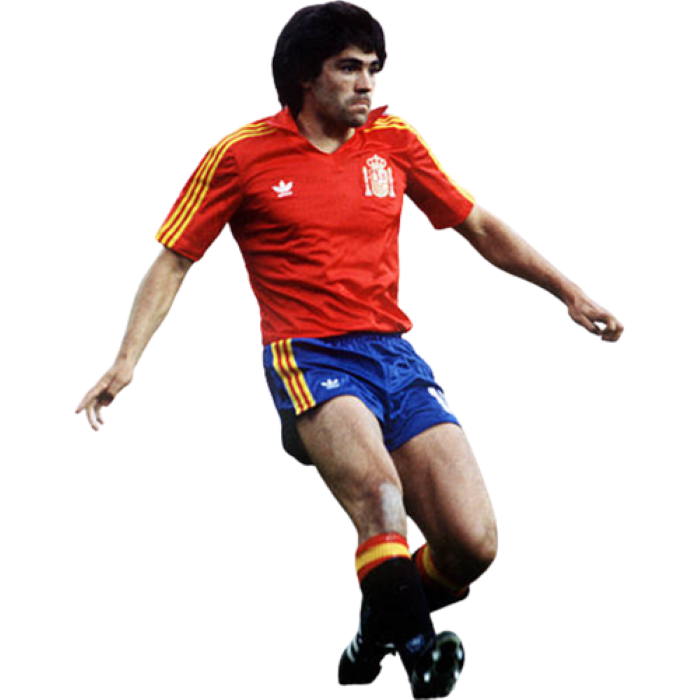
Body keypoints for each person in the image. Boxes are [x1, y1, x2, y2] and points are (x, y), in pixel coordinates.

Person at [73, 1, 625, 696]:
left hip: (395, 356)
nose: (367, 83)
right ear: (306, 76)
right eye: (348, 69)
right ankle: (419, 647)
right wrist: (125, 362)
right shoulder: (240, 153)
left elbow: (479, 225)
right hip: (308, 356)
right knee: (379, 496)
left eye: (373, 69)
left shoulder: (395, 140)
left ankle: (379, 623)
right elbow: (174, 260)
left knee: (473, 543)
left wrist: (569, 292)